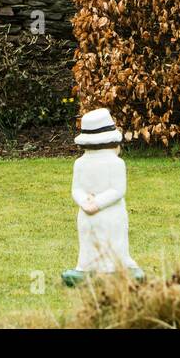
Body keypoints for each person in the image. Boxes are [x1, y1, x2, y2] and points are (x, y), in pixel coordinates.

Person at [64, 108, 142, 284]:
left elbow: (117, 190)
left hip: (108, 213)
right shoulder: (83, 164)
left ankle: (113, 268)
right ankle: (86, 267)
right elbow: (77, 189)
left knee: (113, 240)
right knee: (89, 241)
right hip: (90, 214)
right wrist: (85, 202)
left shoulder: (114, 164)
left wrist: (95, 203)